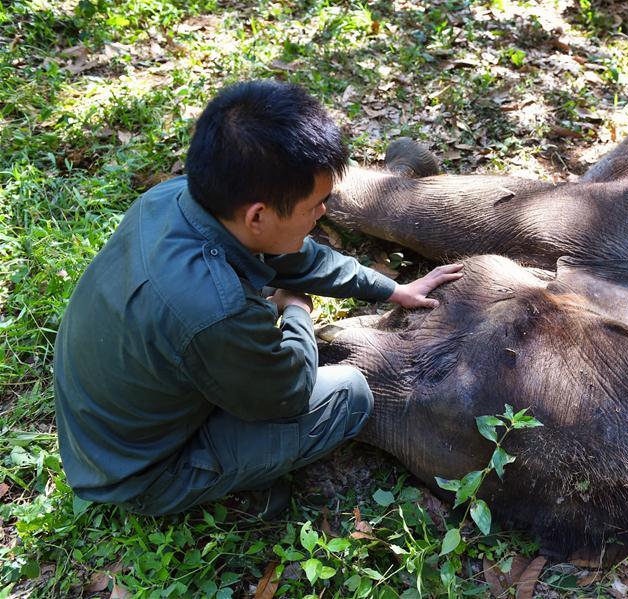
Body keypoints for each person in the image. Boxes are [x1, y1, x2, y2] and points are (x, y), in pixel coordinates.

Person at [53, 80, 462, 519]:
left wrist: (390, 289)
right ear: (258, 216)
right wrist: (298, 313)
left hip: (103, 426)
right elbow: (288, 394)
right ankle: (216, 490)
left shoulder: (172, 199)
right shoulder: (215, 311)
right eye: (316, 206)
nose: (323, 213)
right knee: (351, 393)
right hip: (137, 473)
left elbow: (293, 255)